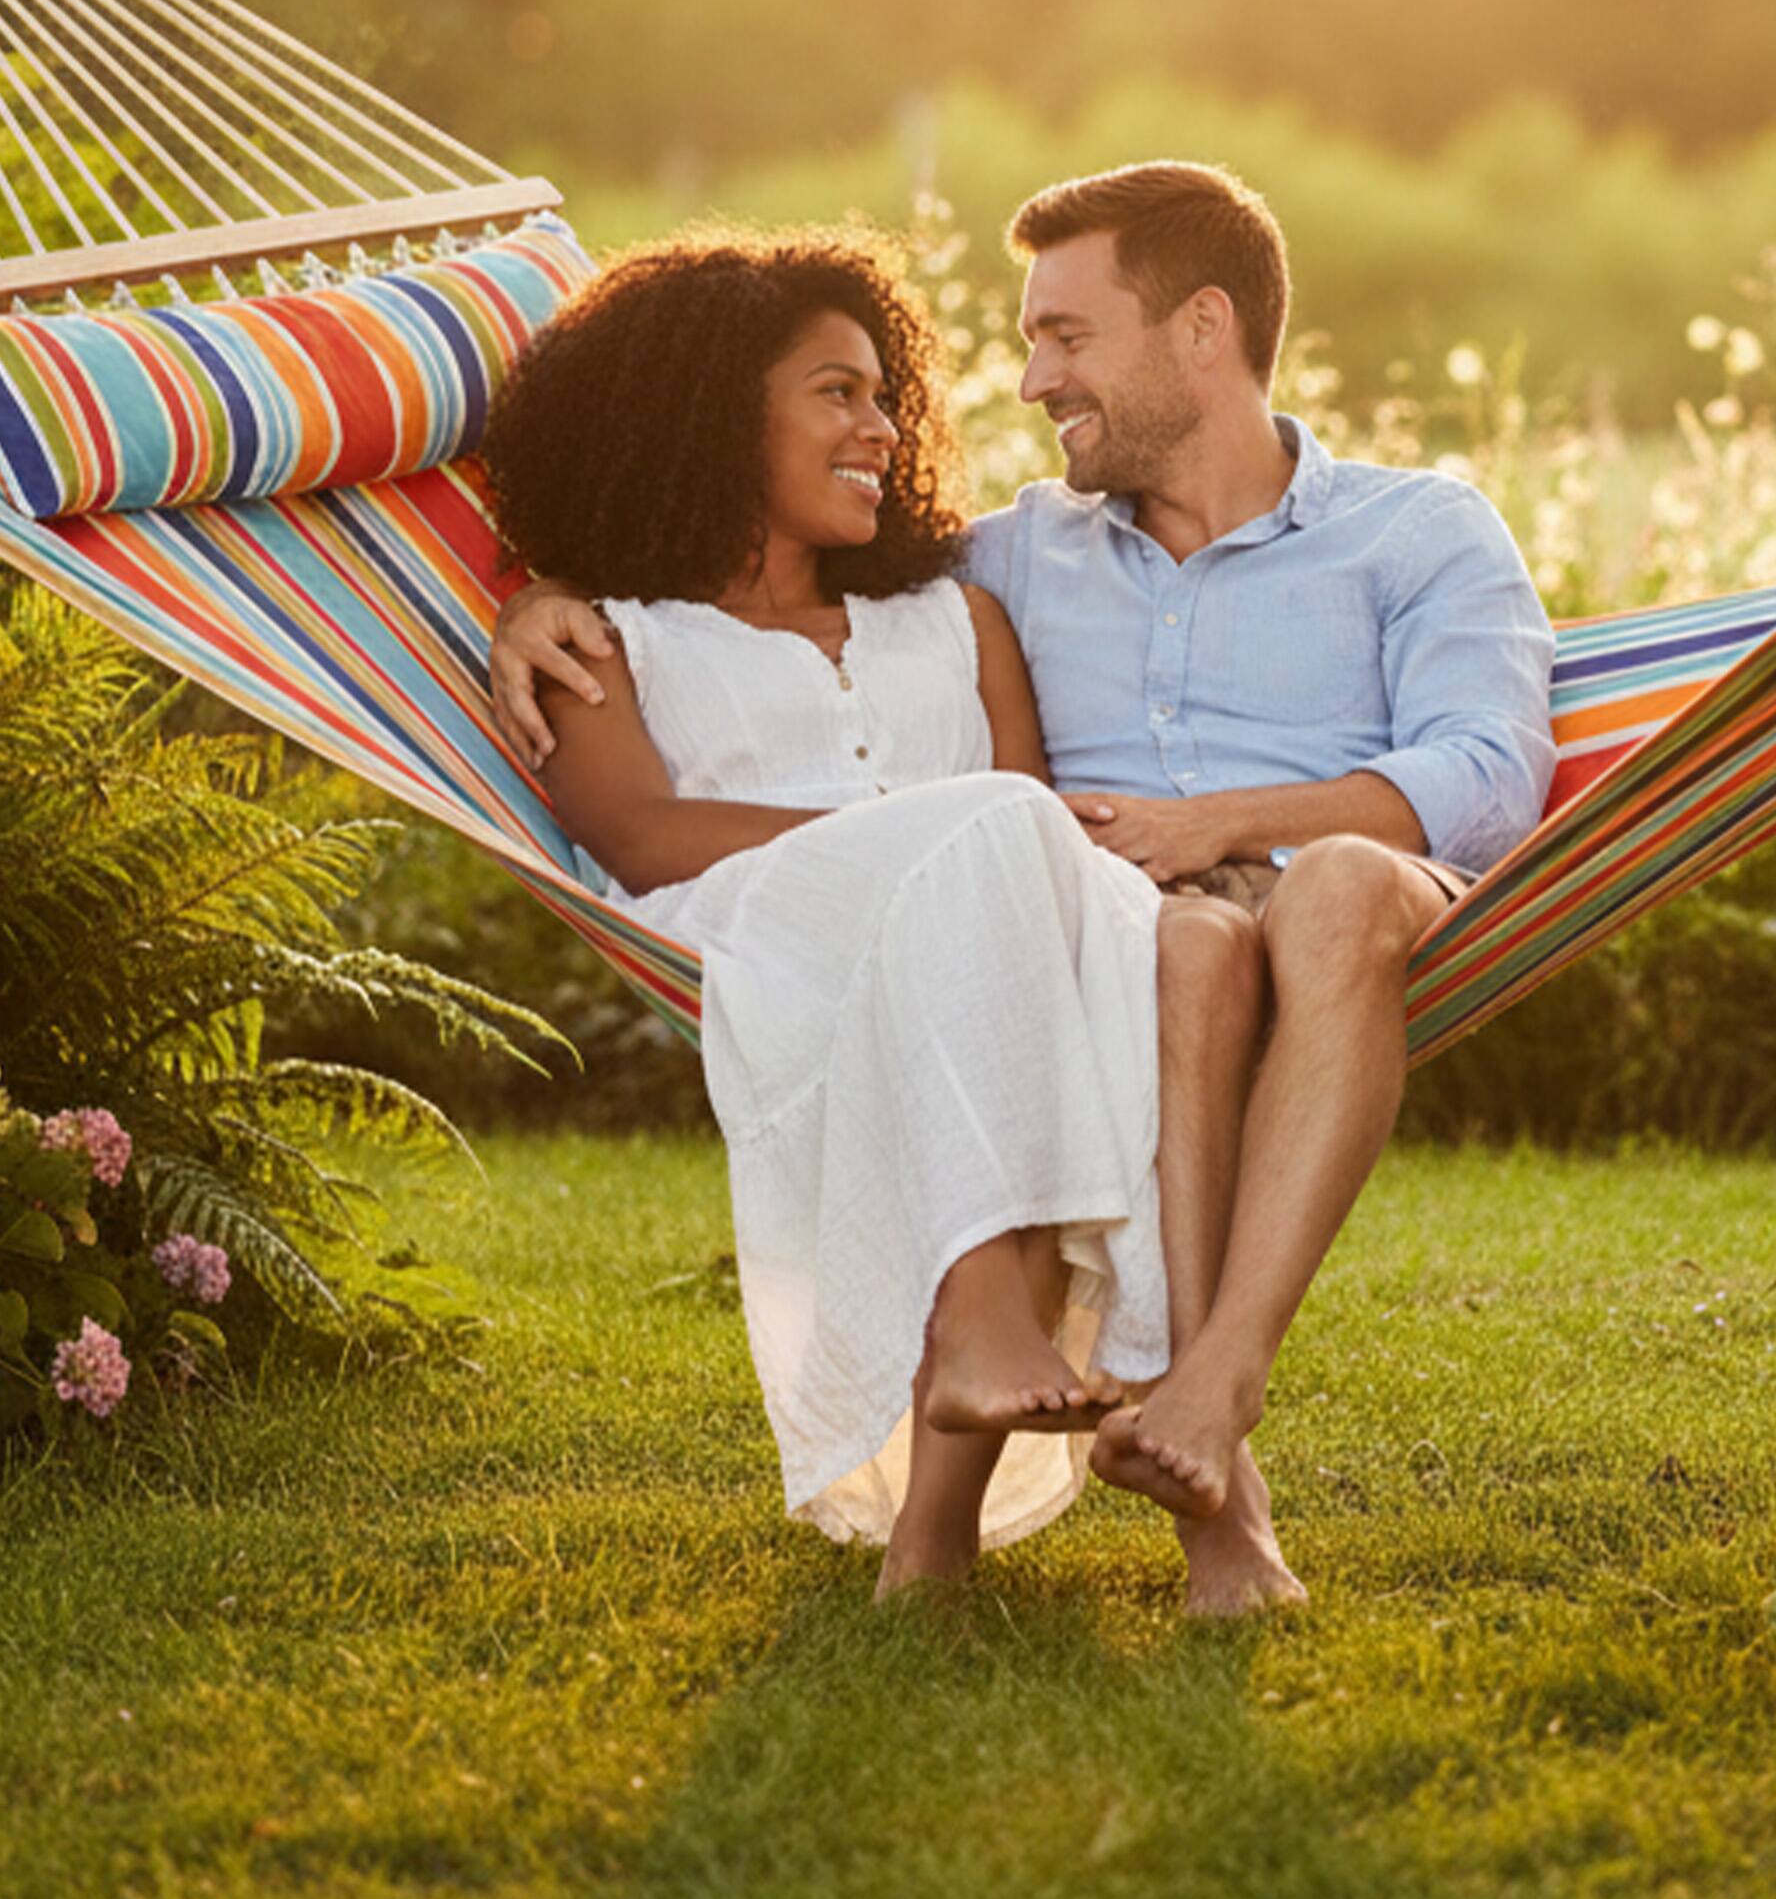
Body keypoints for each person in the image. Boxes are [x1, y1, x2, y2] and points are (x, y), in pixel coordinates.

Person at [495, 165, 1557, 1616]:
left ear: (1200, 329)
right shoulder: (1005, 558)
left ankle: (1198, 1382)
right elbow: (725, 552)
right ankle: (1184, 1488)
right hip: (1111, 925)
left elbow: (1493, 776)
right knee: (1169, 938)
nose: (1026, 379)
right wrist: (539, 587)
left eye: (1066, 336)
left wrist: (1220, 825)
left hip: (1332, 908)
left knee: (1310, 894)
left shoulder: (1420, 531)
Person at [480, 228, 1238, 1598]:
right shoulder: (615, 635)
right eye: (838, 393)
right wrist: (923, 846)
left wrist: (974, 860)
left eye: (888, 398)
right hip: (763, 942)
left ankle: (934, 1536)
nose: (882, 429)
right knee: (999, 848)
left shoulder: (956, 625)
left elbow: (1025, 860)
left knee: (1127, 943)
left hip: (975, 966)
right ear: (714, 417)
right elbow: (641, 835)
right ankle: (1044, 1342)